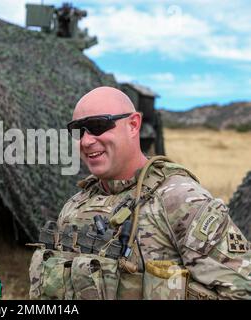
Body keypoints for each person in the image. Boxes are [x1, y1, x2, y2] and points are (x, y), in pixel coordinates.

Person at [29, 86, 250, 300]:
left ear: (133, 125)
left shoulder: (181, 201)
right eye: (78, 131)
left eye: (98, 126)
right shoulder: (74, 206)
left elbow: (242, 290)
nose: (87, 140)